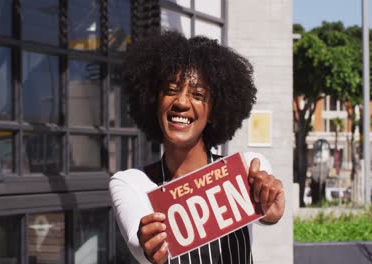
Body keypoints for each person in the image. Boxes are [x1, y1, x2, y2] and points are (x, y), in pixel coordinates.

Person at [109, 31, 285, 264]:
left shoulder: (245, 169)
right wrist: (148, 245)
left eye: (198, 94)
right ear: (154, 100)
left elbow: (266, 210)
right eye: (171, 90)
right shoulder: (132, 183)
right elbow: (138, 246)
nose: (181, 102)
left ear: (214, 111)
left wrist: (269, 208)